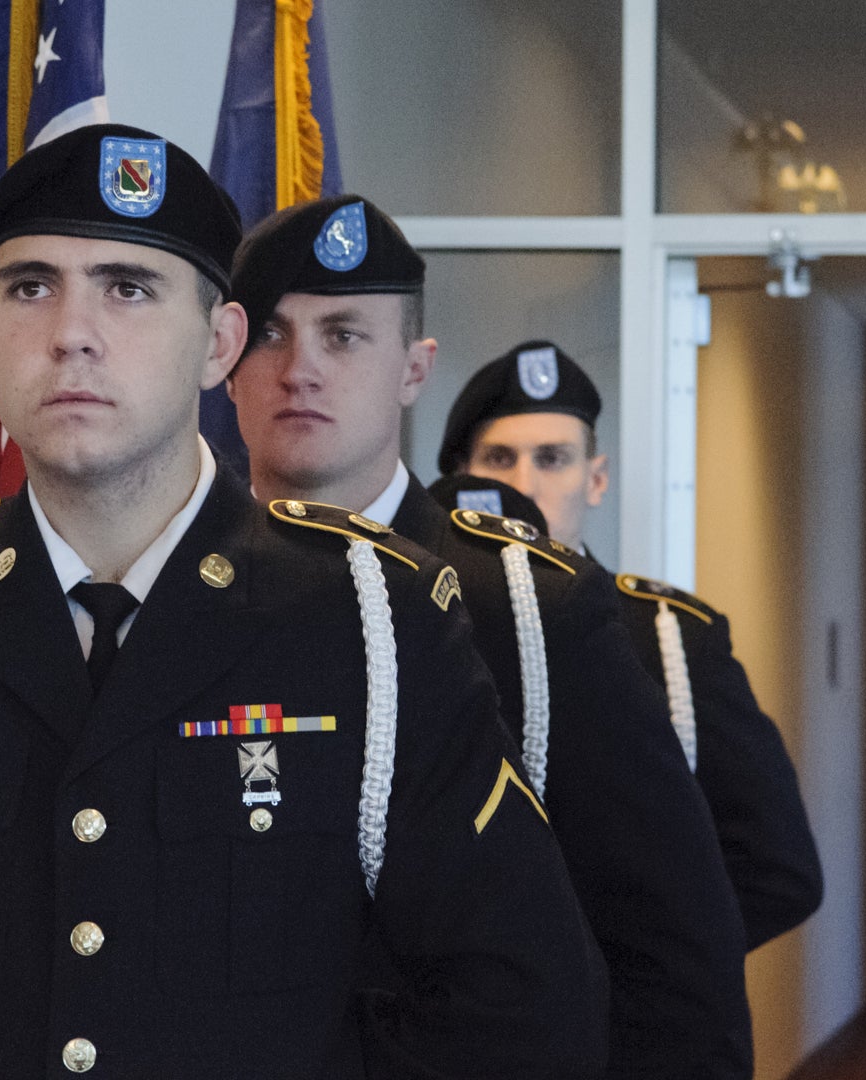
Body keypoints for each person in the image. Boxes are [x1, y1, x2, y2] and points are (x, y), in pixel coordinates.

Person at [0, 125, 610, 1080]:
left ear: (220, 343)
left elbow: (522, 1001)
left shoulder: (370, 618)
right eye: (30, 287)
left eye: (128, 289)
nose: (73, 334)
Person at [227, 194, 752, 1079]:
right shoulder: (181, 600)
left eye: (345, 335)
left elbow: (674, 947)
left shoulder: (528, 609)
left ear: (414, 367)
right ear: (222, 358)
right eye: (271, 335)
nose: (301, 370)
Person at [440, 342, 825, 951]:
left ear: (596, 480)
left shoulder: (671, 640)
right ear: (460, 480)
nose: (524, 484)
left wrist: (639, 971)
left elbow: (779, 872)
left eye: (552, 458)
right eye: (499, 458)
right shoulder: (427, 629)